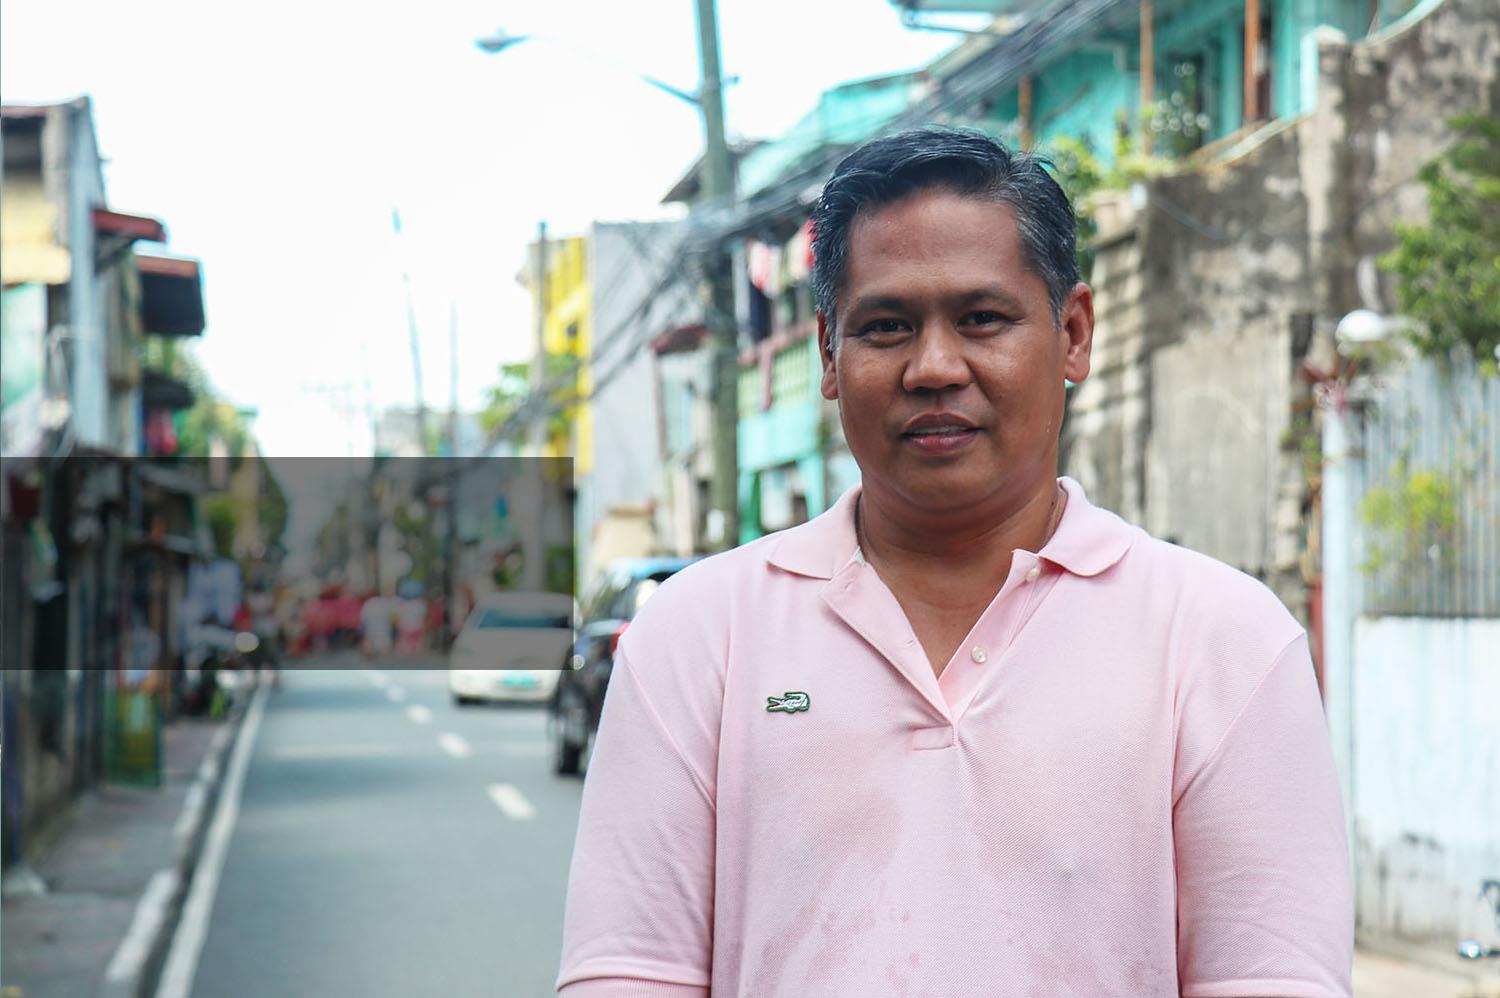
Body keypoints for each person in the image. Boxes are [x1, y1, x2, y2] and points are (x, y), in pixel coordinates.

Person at [556, 127, 1353, 997]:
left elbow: (1272, 979)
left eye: (982, 319)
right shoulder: (696, 636)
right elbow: (628, 975)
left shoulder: (1222, 643)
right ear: (828, 354)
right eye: (886, 327)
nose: (934, 368)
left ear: (1074, 333)